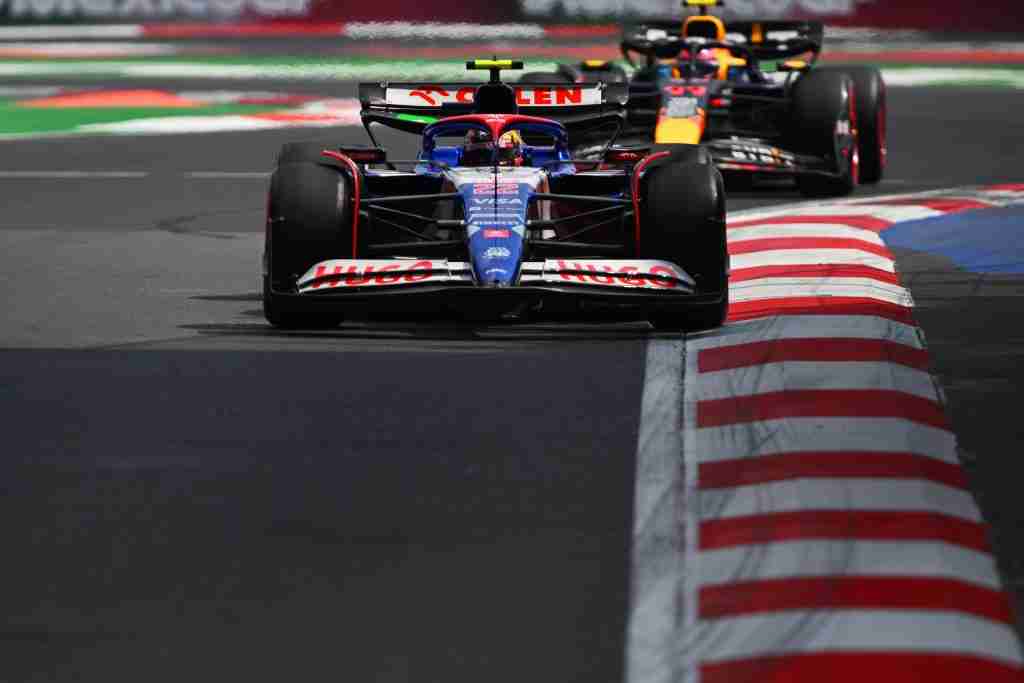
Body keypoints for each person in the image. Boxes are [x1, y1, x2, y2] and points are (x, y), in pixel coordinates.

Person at [461, 129, 526, 167]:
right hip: (482, 166)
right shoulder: (475, 129)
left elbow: (522, 147)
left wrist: (505, 145)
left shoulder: (512, 130)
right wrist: (483, 145)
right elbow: (467, 147)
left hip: (508, 166)